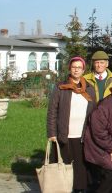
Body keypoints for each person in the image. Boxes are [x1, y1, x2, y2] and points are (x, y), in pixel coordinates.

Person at [47, 56, 96, 192]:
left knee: (80, 165)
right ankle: (63, 188)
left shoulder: (89, 89)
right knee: (65, 164)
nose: (76, 70)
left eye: (79, 68)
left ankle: (80, 188)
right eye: (74, 67)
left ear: (83, 70)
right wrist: (52, 133)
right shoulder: (60, 87)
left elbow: (94, 112)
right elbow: (52, 111)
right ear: (70, 68)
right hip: (64, 134)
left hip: (82, 135)